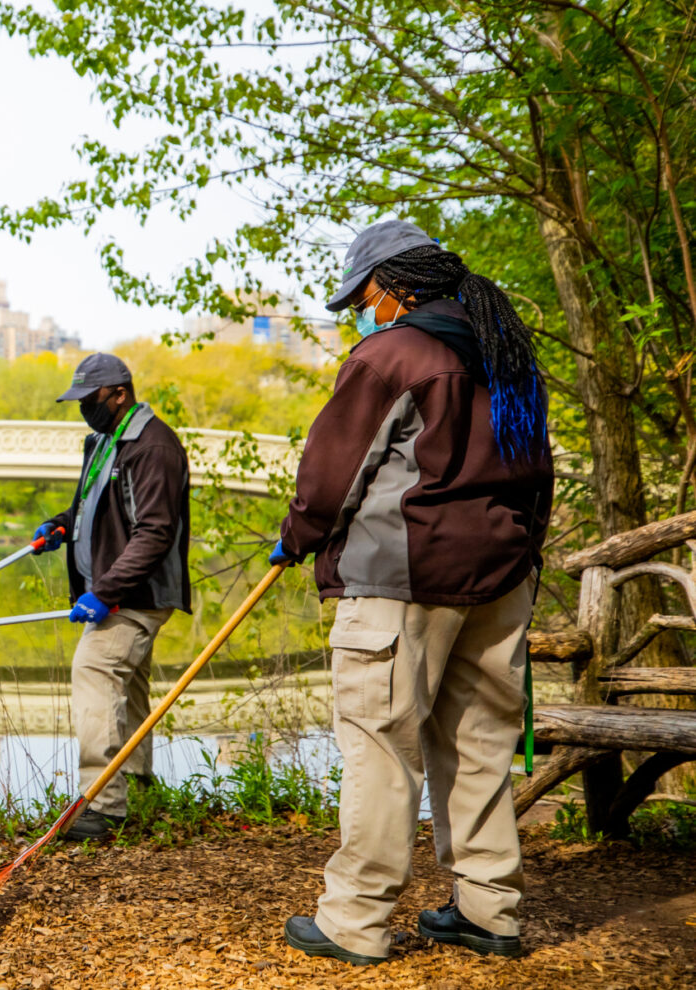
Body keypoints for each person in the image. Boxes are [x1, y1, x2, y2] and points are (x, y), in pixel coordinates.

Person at [271, 220, 553, 965]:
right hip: (501, 578)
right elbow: (538, 474)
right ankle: (489, 910)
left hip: (403, 579)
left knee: (379, 745)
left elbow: (333, 471)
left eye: (359, 297)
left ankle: (355, 921)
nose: (355, 314)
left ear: (395, 285)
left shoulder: (391, 352)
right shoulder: (508, 355)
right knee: (479, 746)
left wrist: (298, 536)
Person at [33, 352, 191, 840]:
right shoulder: (104, 440)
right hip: (114, 587)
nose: (84, 408)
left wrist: (105, 592)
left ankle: (102, 806)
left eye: (90, 400)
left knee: (95, 669)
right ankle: (138, 785)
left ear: (119, 394)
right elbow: (93, 502)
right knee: (130, 685)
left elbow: (155, 532)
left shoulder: (153, 447)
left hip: (135, 593)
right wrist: (62, 524)